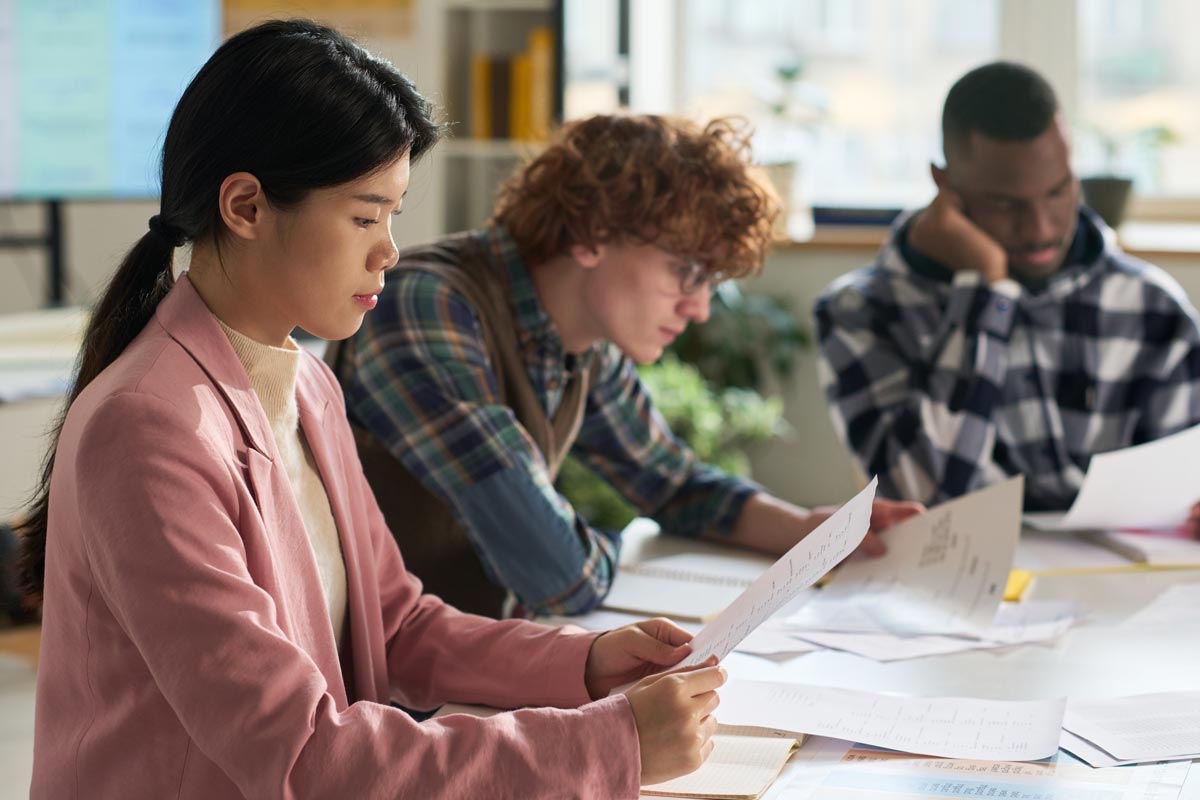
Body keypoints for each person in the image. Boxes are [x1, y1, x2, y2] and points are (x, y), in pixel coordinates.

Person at [20, 20, 728, 798]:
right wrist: (607, 745)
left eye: (392, 215)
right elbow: (301, 754)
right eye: (364, 216)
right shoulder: (148, 428)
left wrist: (584, 663)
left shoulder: (311, 388)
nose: (389, 249)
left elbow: (394, 625)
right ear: (246, 206)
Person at [327, 114, 923, 618]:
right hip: (379, 689)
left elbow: (674, 484)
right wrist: (621, 547)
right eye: (686, 271)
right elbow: (558, 572)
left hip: (470, 663)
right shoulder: (425, 306)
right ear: (590, 234)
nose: (699, 308)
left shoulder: (582, 340)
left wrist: (810, 531)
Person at [814, 61, 1200, 512]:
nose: (1039, 230)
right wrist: (984, 295)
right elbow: (921, 498)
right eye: (1004, 204)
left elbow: (1183, 488)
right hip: (959, 581)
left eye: (1057, 192)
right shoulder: (860, 311)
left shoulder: (1152, 306)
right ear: (944, 185)